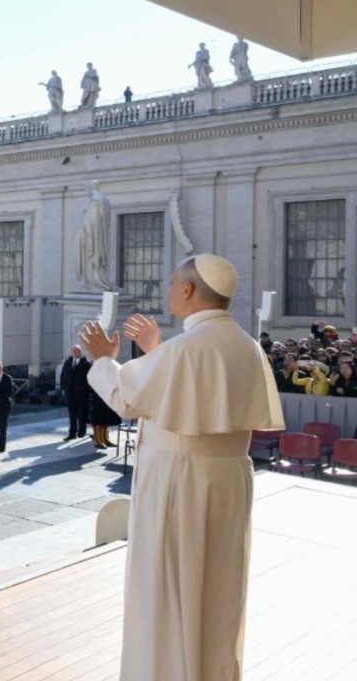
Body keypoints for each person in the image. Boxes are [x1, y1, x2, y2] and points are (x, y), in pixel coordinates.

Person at [78, 254, 283, 681]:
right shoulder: (246, 345)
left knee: (169, 591)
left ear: (189, 290)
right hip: (228, 482)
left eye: (174, 282)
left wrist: (101, 359)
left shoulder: (185, 348)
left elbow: (128, 397)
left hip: (179, 485)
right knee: (217, 592)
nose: (170, 289)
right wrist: (156, 351)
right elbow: (186, 389)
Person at [59, 345, 90, 441]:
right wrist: (63, 388)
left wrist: (84, 388)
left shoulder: (86, 365)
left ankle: (81, 431)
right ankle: (72, 433)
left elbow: (89, 379)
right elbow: (63, 376)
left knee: (81, 414)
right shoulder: (67, 363)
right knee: (72, 414)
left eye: (76, 351)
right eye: (73, 351)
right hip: (70, 394)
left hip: (81, 394)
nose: (74, 353)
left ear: (80, 352)